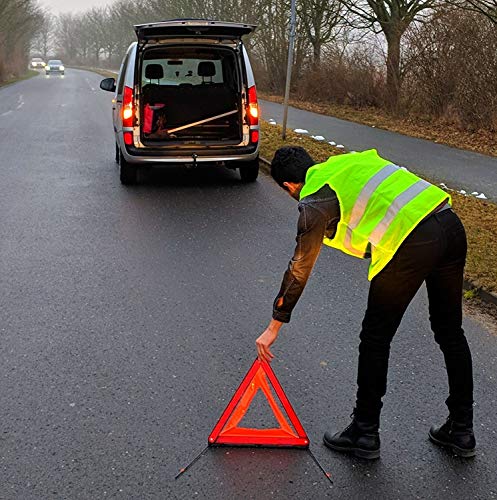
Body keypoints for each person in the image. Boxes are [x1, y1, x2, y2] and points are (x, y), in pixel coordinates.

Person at [255, 146, 475, 459]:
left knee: (375, 338)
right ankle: (461, 429)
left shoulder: (316, 197)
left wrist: (274, 324)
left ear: (288, 186)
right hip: (450, 224)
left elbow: (299, 266)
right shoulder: (345, 165)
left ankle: (364, 431)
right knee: (450, 332)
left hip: (411, 239)